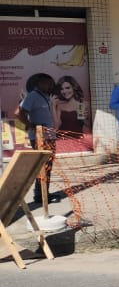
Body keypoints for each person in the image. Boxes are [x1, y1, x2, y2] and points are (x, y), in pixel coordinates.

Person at [16, 73, 58, 203]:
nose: (50, 85)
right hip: (40, 138)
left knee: (48, 166)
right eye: (47, 83)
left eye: (51, 83)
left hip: (49, 136)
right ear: (38, 83)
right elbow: (19, 113)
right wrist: (31, 126)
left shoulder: (45, 97)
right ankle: (40, 195)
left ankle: (45, 193)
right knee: (43, 166)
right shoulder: (33, 96)